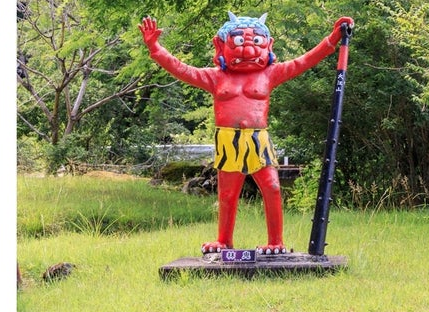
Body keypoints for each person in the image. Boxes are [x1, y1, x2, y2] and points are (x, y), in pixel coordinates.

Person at [140, 13, 352, 254]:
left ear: (268, 45)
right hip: (228, 140)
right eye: (240, 42)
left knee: (272, 187)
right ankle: (224, 240)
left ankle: (275, 242)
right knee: (228, 194)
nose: (249, 51)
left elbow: (303, 61)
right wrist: (155, 48)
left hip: (258, 139)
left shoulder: (269, 74)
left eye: (256, 43)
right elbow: (181, 68)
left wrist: (334, 38)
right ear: (221, 45)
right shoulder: (216, 76)